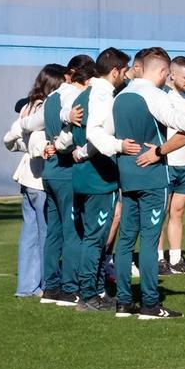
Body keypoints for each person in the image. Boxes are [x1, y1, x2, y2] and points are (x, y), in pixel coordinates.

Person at [110, 48, 185, 319]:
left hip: (126, 174)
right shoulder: (153, 94)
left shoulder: (120, 96)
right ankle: (150, 304)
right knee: (150, 241)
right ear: (163, 71)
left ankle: (124, 302)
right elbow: (177, 121)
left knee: (126, 240)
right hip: (151, 174)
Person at [69, 47, 133, 313]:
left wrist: (78, 151)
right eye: (124, 71)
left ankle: (94, 291)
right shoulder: (103, 95)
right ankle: (88, 295)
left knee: (90, 236)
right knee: (95, 238)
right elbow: (96, 134)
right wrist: (119, 145)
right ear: (115, 71)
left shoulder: (83, 94)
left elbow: (72, 133)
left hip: (84, 175)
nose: (126, 76)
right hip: (98, 177)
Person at [31, 55, 94, 306]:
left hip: (50, 173)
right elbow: (69, 131)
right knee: (72, 232)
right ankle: (69, 290)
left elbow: (34, 123)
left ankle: (50, 288)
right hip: (67, 172)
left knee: (54, 232)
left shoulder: (50, 98)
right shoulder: (75, 97)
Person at [4, 64, 65, 298]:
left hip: (28, 178)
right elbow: (34, 139)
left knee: (30, 234)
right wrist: (43, 148)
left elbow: (13, 140)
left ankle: (26, 286)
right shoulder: (43, 107)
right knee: (46, 234)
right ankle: (47, 284)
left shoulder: (28, 105)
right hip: (40, 179)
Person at [158, 55, 185, 275]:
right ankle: (158, 259)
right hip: (166, 162)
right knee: (161, 213)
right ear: (172, 75)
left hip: (184, 163)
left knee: (178, 211)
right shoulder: (161, 95)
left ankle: (175, 259)